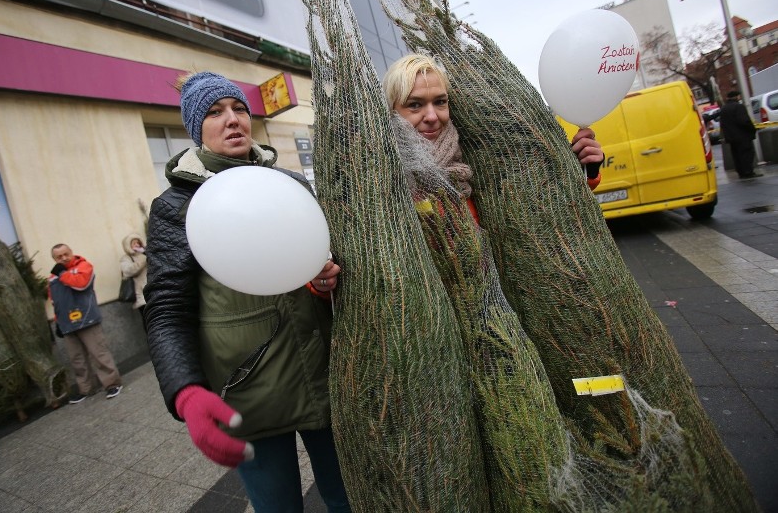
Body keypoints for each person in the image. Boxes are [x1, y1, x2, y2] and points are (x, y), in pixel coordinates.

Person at [143, 71, 349, 513]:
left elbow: (314, 260)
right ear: (195, 128)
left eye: (238, 108)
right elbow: (166, 310)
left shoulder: (290, 185)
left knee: (349, 499)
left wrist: (322, 280)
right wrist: (186, 391)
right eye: (215, 113)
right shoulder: (177, 206)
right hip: (248, 392)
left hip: (325, 377)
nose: (232, 119)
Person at [382, 53, 605, 210]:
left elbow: (538, 207)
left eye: (440, 102)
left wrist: (585, 170)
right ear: (393, 110)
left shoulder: (476, 156)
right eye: (414, 105)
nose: (431, 116)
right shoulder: (382, 174)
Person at [49, 243, 123, 403]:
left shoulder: (83, 266)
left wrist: (62, 273)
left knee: (99, 354)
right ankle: (86, 389)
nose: (63, 258)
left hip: (87, 318)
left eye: (65, 254)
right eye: (58, 257)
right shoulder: (53, 277)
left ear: (71, 252)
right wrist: (58, 323)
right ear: (54, 259)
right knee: (77, 359)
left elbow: (81, 283)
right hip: (67, 324)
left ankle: (112, 384)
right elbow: (56, 302)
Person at [719, 90, 761, 179]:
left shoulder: (724, 108)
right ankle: (748, 172)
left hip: (731, 137)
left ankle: (741, 172)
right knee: (746, 154)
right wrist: (752, 129)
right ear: (737, 97)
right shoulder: (739, 107)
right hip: (742, 136)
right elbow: (744, 121)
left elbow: (723, 124)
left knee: (737, 155)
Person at [120, 233, 147, 319]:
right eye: (134, 243)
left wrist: (146, 254)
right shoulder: (126, 258)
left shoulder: (147, 253)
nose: (137, 245)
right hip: (141, 295)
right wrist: (143, 260)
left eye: (138, 242)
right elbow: (128, 271)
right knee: (148, 319)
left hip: (155, 291)